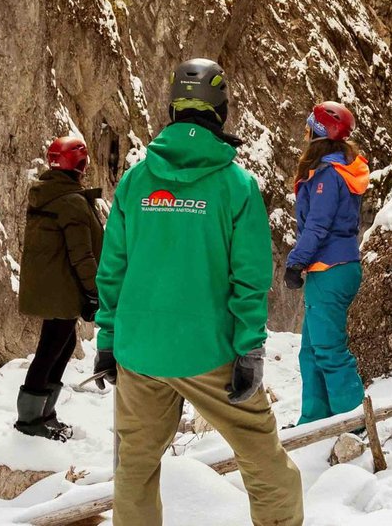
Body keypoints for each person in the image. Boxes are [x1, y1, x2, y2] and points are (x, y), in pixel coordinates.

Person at [93, 58, 303, 526]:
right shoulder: (236, 185)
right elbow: (250, 278)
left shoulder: (135, 181)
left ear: (173, 111)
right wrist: (249, 347)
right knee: (263, 459)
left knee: (136, 468)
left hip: (140, 349)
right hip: (211, 352)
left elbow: (113, 270)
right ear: (221, 111)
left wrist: (107, 338)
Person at [282, 102, 369, 425]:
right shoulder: (335, 170)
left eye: (309, 128)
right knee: (311, 350)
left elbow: (318, 225)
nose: (305, 133)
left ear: (319, 132)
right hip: (334, 267)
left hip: (330, 268)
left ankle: (354, 423)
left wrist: (295, 262)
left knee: (329, 349)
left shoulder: (328, 175)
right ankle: (315, 418)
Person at [16, 136, 103, 441]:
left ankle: (43, 414)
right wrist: (95, 292)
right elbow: (82, 254)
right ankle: (30, 421)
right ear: (80, 164)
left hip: (54, 286)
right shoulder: (71, 201)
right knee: (51, 349)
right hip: (63, 289)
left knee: (61, 347)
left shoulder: (50, 194)